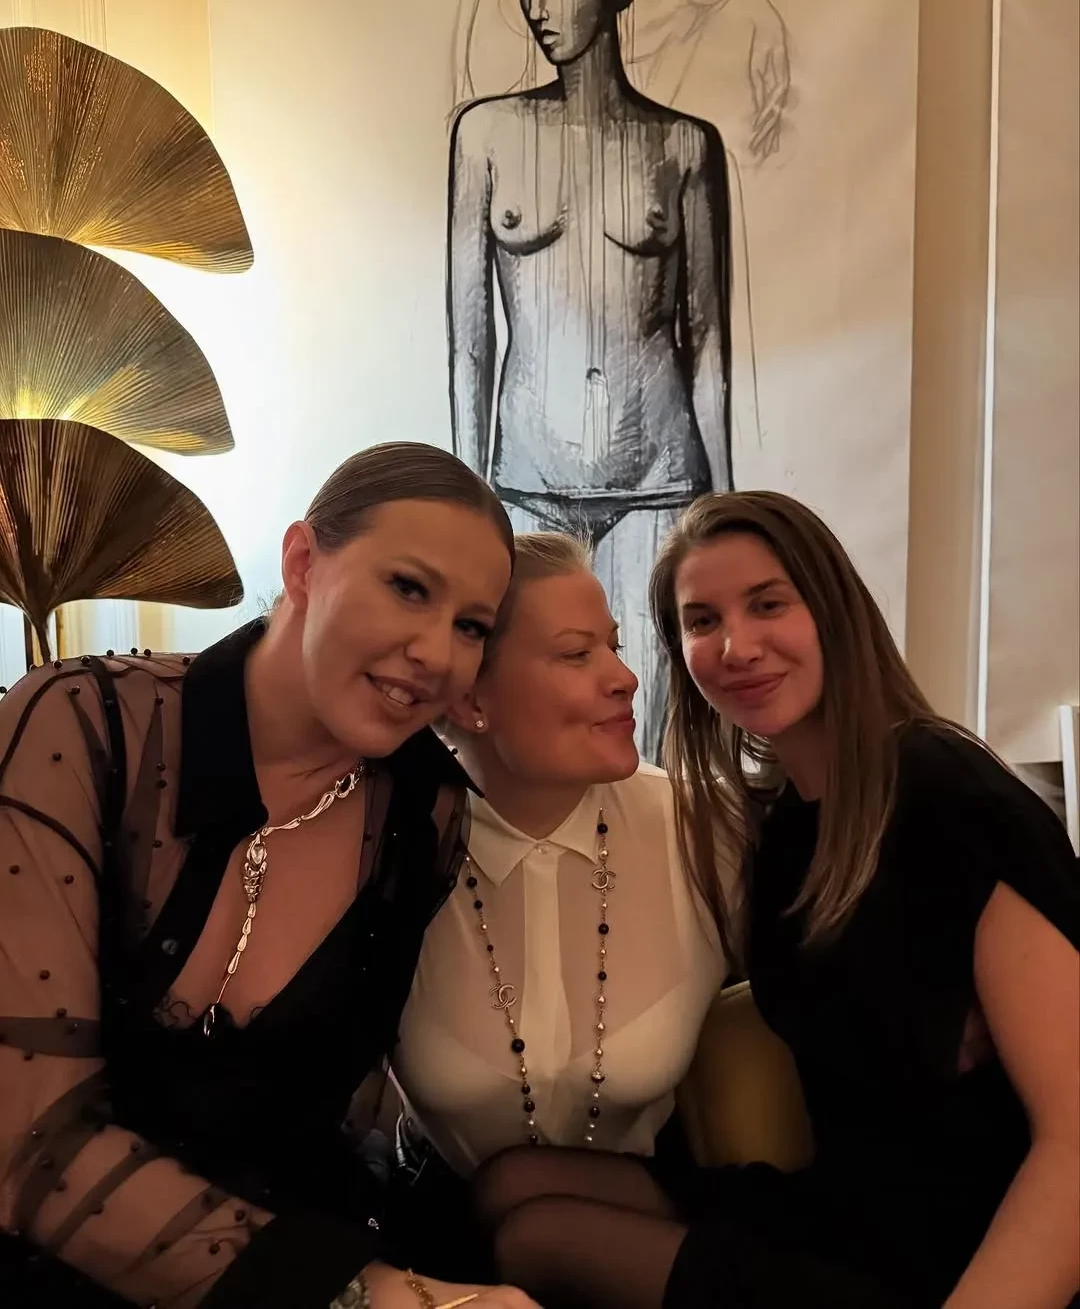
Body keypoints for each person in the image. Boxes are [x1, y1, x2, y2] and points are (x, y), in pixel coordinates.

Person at [466, 491, 1080, 1309]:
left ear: (831, 611)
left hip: (964, 1245)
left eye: (767, 605)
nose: (737, 647)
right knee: (508, 1182)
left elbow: (1074, 1139)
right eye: (702, 620)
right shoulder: (782, 826)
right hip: (851, 1208)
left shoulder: (944, 791)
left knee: (538, 1238)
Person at [0, 442, 541, 1309]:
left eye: (471, 627)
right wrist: (370, 1297)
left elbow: (337, 1121)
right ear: (301, 564)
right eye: (409, 587)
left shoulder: (426, 814)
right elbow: (28, 1146)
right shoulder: (83, 727)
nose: (437, 653)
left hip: (301, 1249)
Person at [390, 531, 734, 1280]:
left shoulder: (705, 832)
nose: (626, 678)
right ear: (472, 699)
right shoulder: (384, 851)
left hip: (654, 1238)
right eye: (578, 655)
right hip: (438, 1248)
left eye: (614, 646)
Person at [448, 0, 734, 762]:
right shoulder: (486, 134)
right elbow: (470, 339)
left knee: (646, 746)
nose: (536, 7)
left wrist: (724, 518)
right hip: (525, 486)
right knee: (525, 739)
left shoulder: (683, 144)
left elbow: (707, 342)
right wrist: (469, 509)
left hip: (658, 487)